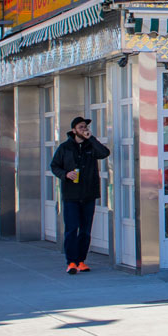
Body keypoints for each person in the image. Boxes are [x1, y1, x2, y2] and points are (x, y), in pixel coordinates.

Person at [49, 116, 110, 275]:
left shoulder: (91, 146)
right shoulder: (65, 148)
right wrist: (65, 174)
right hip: (71, 195)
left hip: (88, 193)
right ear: (74, 130)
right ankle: (71, 262)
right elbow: (54, 166)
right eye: (81, 127)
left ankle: (81, 260)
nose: (85, 129)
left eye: (86, 127)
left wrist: (93, 139)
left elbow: (104, 153)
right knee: (71, 229)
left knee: (85, 230)